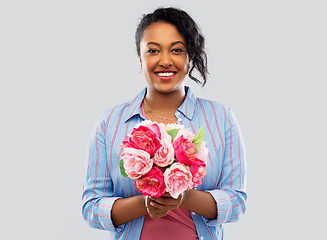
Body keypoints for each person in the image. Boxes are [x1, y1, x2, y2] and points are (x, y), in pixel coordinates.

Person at [82, 7, 247, 240]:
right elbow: (90, 207)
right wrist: (145, 203)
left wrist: (183, 197)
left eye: (177, 50)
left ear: (190, 57)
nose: (166, 60)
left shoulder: (221, 117)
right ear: (140, 58)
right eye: (153, 50)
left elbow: (237, 201)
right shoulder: (110, 122)